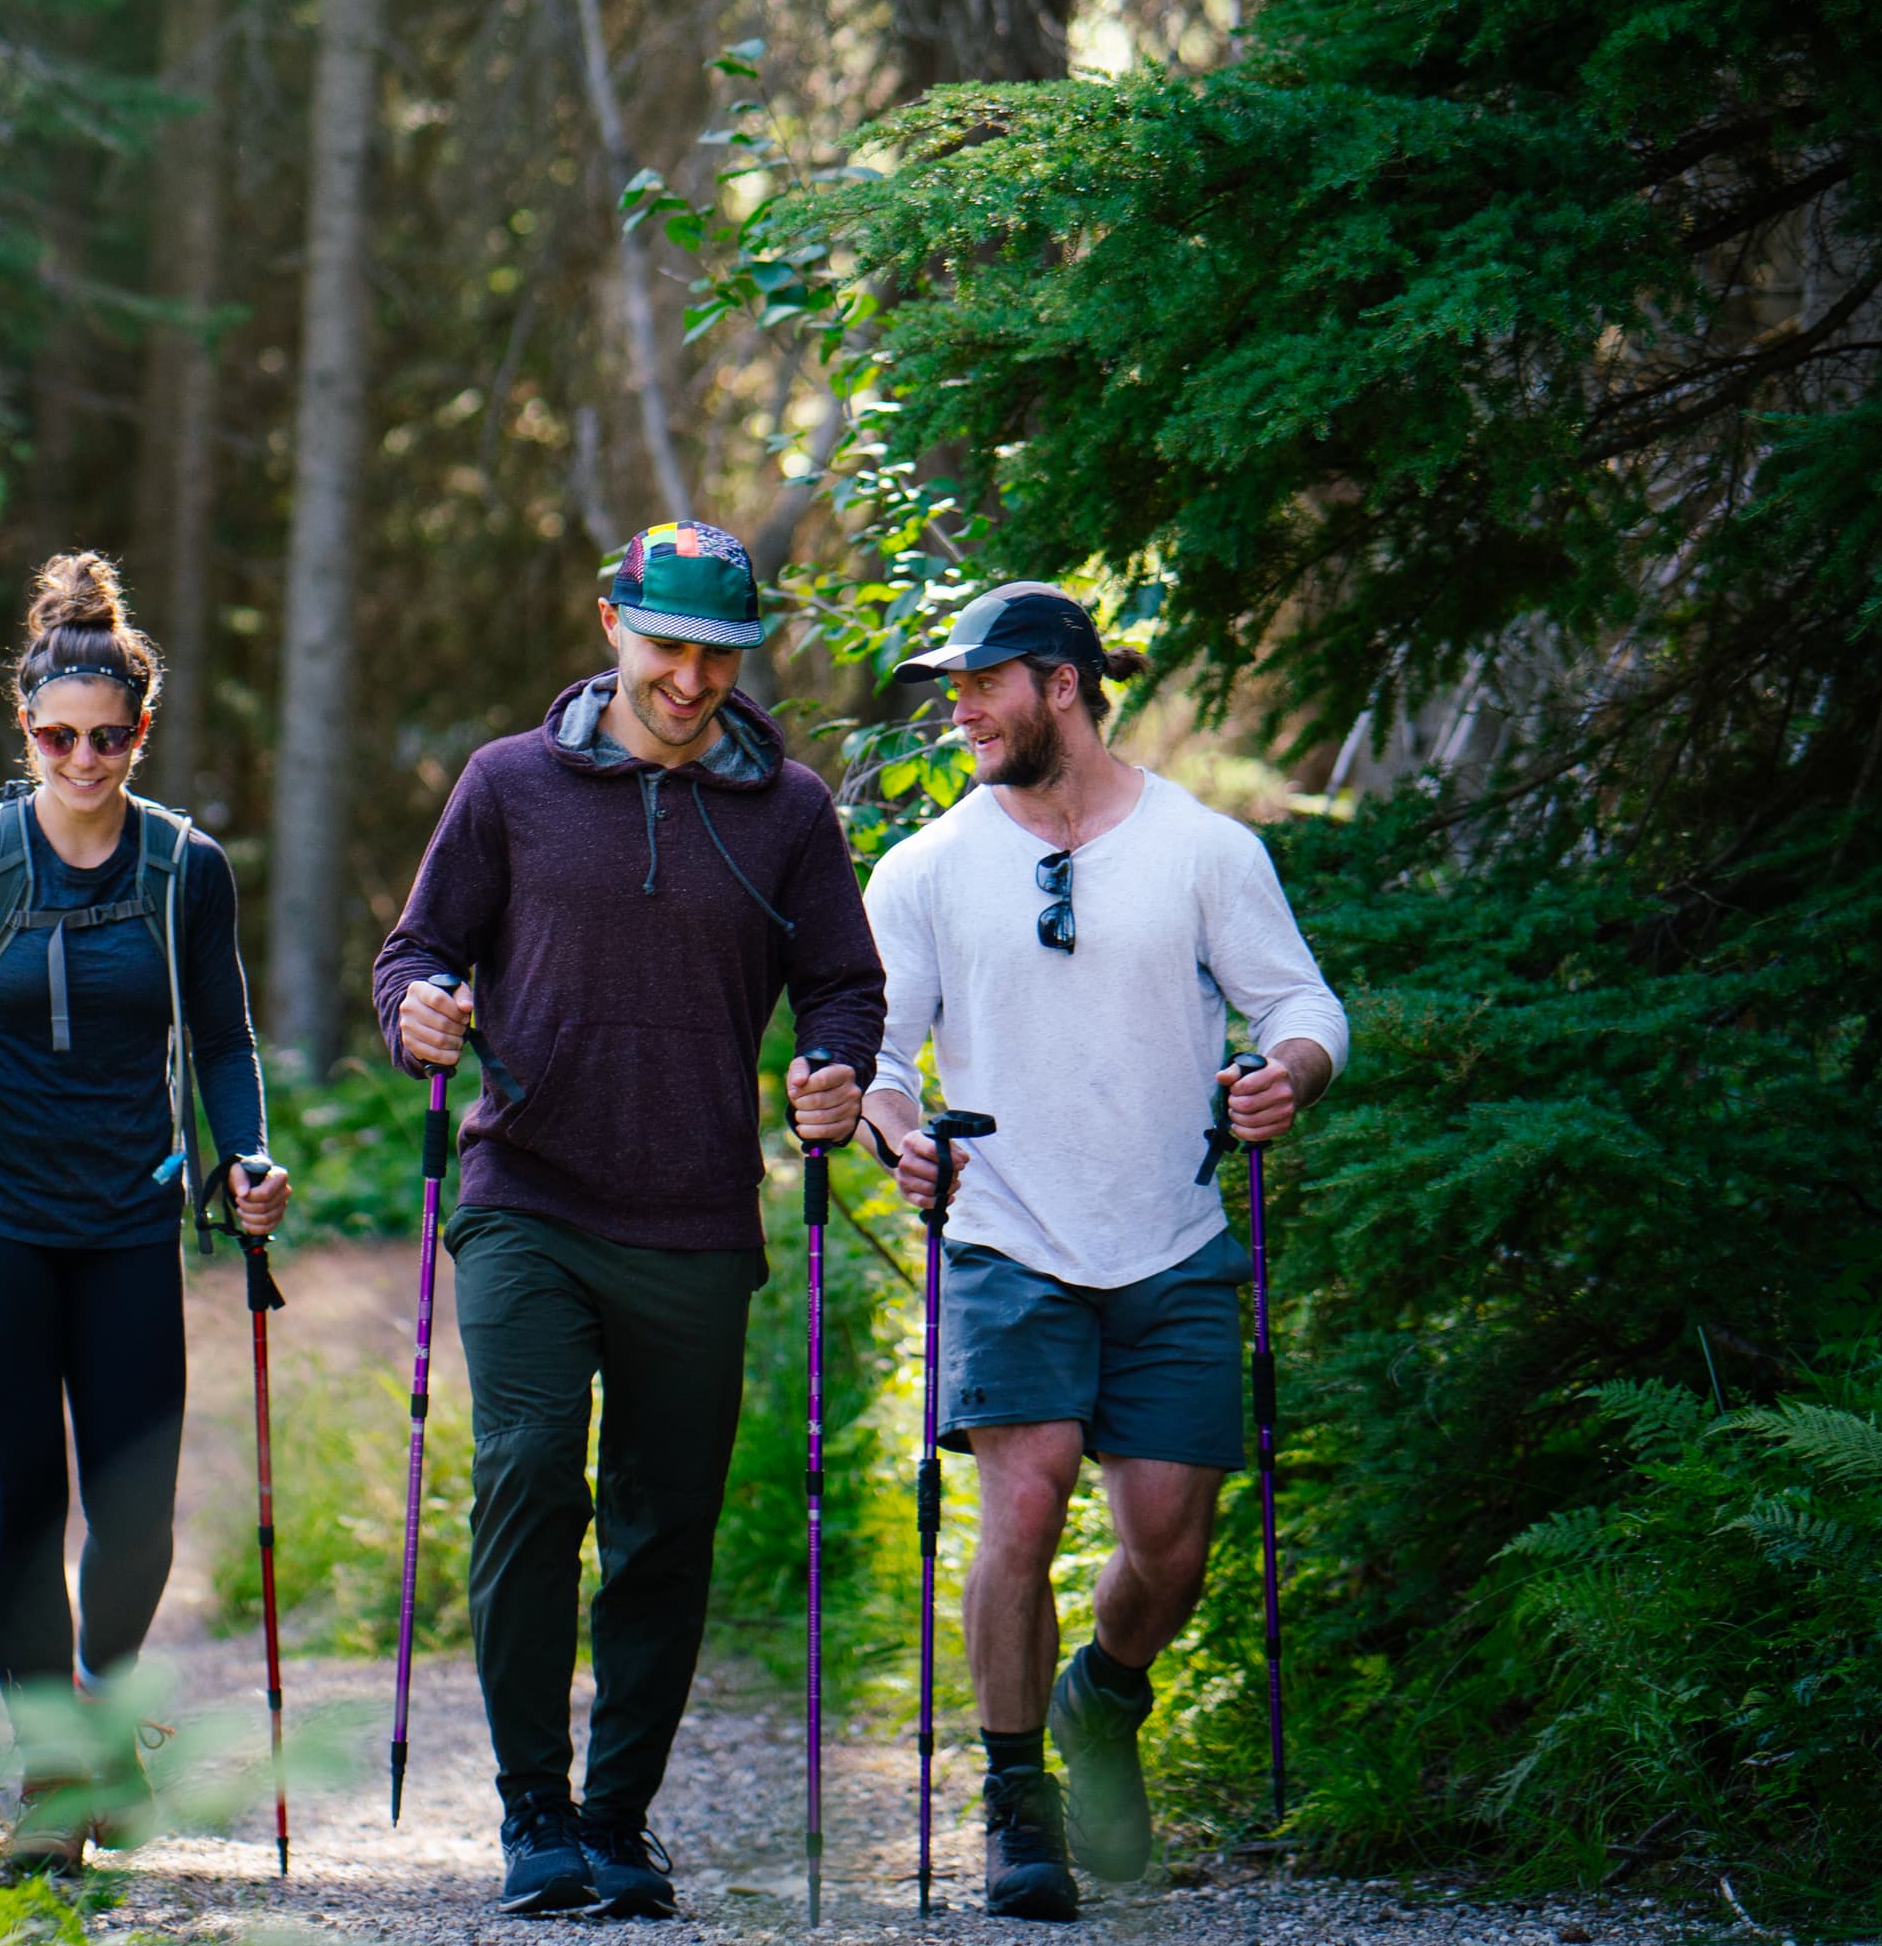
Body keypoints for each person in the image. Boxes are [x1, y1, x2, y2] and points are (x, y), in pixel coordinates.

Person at [371, 520, 886, 1920]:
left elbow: (844, 982)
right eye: (667, 644)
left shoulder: (787, 809)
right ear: (611, 620)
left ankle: (618, 1820)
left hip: (697, 1215)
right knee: (533, 1467)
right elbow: (416, 949)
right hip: (527, 1190)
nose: (690, 676)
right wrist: (416, 1007)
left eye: (718, 652)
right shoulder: (510, 785)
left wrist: (831, 1069)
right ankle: (533, 1808)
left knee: (667, 1527)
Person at [852, 583, 1349, 1922]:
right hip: (1007, 1228)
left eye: (981, 682)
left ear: (1061, 683)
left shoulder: (1204, 850)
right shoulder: (926, 868)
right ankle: (1019, 1812)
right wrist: (901, 1136)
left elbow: (1300, 1001)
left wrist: (1286, 1073)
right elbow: (881, 1061)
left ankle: (1101, 1698)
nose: (956, 707)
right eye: (950, 684)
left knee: (1172, 1545)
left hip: (1175, 1238)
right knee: (1023, 1497)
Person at [0, 552, 290, 1871]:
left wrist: (250, 1157)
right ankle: (55, 1778)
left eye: (111, 736)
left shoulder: (182, 868)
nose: (85, 756)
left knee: (140, 1502)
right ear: (26, 729)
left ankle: (105, 1704)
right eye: (60, 735)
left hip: (125, 1214)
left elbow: (222, 1039)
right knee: (23, 1503)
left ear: (141, 734)